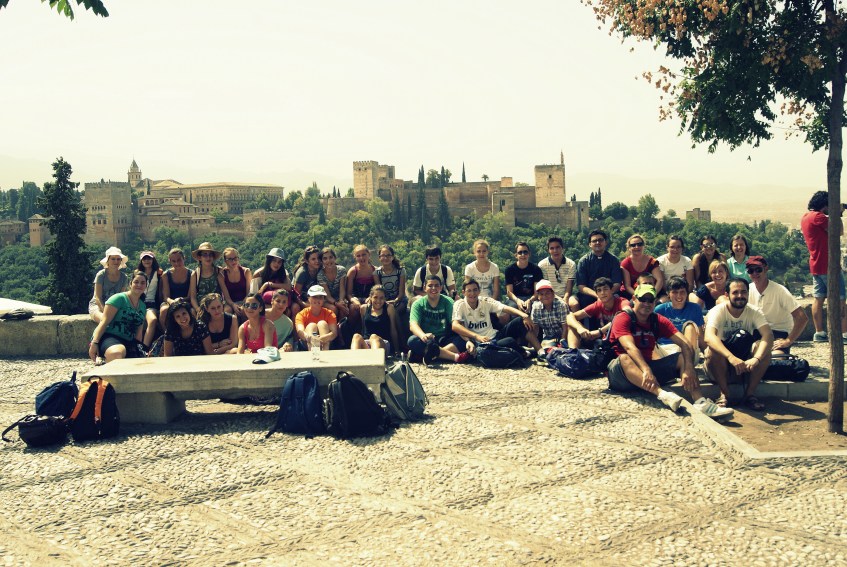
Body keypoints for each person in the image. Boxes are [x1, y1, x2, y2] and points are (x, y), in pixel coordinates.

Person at [606, 285, 734, 420]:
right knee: (625, 358)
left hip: (648, 371)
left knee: (682, 358)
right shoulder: (623, 317)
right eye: (643, 299)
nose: (647, 303)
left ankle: (700, 402)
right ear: (634, 299)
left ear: (655, 302)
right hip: (620, 375)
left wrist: (689, 368)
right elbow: (629, 347)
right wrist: (646, 370)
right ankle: (663, 395)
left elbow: (684, 343)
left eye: (650, 300)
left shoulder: (656, 319)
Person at [704, 278, 773, 411]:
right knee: (712, 349)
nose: (740, 296)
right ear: (727, 295)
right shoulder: (717, 311)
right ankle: (724, 394)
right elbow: (709, 337)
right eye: (735, 292)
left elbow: (768, 336)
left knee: (762, 347)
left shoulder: (754, 311)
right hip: (719, 366)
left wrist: (756, 358)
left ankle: (750, 395)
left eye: (743, 292)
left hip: (744, 367)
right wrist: (731, 357)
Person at [800, 190, 847, 342]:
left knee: (818, 299)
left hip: (816, 264)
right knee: (840, 299)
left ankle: (819, 333)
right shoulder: (818, 217)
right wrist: (838, 213)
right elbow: (839, 231)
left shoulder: (806, 217)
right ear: (825, 205)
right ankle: (844, 334)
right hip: (828, 265)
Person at [451, 278, 540, 356]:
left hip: (495, 336)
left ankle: (540, 351)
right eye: (469, 291)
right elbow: (455, 326)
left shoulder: (485, 300)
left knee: (520, 321)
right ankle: (524, 353)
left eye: (475, 290)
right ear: (463, 292)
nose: (472, 293)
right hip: (481, 343)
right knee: (504, 344)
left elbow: (504, 307)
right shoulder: (460, 304)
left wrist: (524, 315)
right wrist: (476, 336)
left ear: (479, 291)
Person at [746, 256, 809, 354]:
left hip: (778, 333)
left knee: (777, 358)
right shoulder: (747, 290)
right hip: (757, 333)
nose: (754, 273)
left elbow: (802, 317)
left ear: (766, 269)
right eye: (751, 271)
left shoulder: (779, 290)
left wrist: (788, 341)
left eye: (758, 269)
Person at [88, 270, 148, 364]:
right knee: (116, 353)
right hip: (110, 337)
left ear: (146, 286)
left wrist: (139, 348)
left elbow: (138, 331)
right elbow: (104, 322)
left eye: (142, 283)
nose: (139, 285)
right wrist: (94, 343)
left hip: (129, 341)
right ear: (130, 284)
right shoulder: (119, 299)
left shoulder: (143, 306)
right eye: (136, 282)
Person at [408, 274, 468, 364]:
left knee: (462, 340)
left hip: (444, 338)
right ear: (424, 288)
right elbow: (413, 325)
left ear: (441, 287)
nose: (434, 288)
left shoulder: (448, 302)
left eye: (436, 285)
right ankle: (454, 357)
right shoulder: (418, 304)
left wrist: (468, 340)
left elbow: (455, 323)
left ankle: (428, 355)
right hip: (427, 340)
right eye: (430, 286)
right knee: (412, 340)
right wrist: (423, 336)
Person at [566, 277, 630, 348]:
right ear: (597, 294)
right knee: (573, 324)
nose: (602, 293)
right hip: (601, 340)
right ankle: (573, 352)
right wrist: (580, 328)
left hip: (620, 339)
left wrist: (600, 331)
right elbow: (569, 317)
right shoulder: (598, 304)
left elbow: (628, 313)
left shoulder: (622, 302)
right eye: (599, 290)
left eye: (605, 289)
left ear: (612, 290)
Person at [573, 229, 622, 317]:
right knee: (584, 301)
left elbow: (617, 284)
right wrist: (598, 295)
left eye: (600, 240)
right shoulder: (583, 261)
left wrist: (606, 295)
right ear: (590, 244)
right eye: (594, 241)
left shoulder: (613, 260)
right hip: (590, 294)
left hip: (610, 294)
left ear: (605, 242)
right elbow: (581, 286)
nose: (597, 243)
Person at [654, 276, 705, 360]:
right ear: (668, 294)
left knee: (690, 327)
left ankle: (687, 364)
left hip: (686, 349)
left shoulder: (695, 308)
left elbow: (700, 336)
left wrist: (707, 353)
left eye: (682, 292)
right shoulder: (660, 310)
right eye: (675, 292)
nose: (679, 296)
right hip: (664, 349)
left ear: (687, 293)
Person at [351, 285, 400, 353]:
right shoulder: (364, 309)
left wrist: (397, 350)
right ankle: (354, 358)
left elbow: (393, 330)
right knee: (356, 336)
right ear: (370, 297)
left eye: (381, 298)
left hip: (383, 343)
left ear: (385, 299)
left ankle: (375, 359)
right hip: (367, 343)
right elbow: (363, 328)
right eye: (375, 297)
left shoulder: (389, 308)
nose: (378, 301)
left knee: (374, 337)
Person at [530, 279, 572, 356]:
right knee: (545, 350)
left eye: (547, 293)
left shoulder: (561, 305)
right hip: (549, 337)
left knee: (558, 351)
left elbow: (565, 327)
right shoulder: (535, 307)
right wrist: (532, 345)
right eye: (541, 294)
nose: (544, 296)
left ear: (553, 294)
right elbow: (535, 328)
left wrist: (562, 342)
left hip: (564, 335)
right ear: (538, 296)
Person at [88, 246, 128, 324]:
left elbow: (120, 298)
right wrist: (106, 312)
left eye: (118, 259)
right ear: (108, 260)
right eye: (113, 259)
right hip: (97, 306)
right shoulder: (101, 275)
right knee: (105, 320)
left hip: (114, 307)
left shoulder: (124, 277)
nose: (116, 261)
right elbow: (98, 297)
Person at [295, 285, 338, 351]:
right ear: (309, 298)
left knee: (322, 323)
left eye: (320, 297)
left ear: (323, 299)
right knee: (312, 325)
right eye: (314, 297)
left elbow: (334, 333)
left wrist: (320, 339)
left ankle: (325, 352)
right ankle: (312, 352)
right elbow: (300, 332)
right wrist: (311, 338)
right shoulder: (301, 314)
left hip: (326, 341)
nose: (317, 300)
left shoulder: (330, 314)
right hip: (307, 342)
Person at [504, 241, 543, 312]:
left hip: (532, 298)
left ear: (529, 254)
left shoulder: (536, 269)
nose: (523, 255)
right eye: (520, 252)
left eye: (525, 252)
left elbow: (537, 292)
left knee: (537, 307)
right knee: (509, 311)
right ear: (516, 255)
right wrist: (517, 301)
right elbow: (509, 292)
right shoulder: (509, 270)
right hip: (515, 299)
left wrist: (530, 300)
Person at [620, 234, 663, 299]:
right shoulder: (625, 263)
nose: (637, 247)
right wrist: (638, 296)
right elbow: (627, 286)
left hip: (651, 292)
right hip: (631, 294)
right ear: (629, 248)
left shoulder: (652, 262)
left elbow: (659, 280)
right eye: (633, 245)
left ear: (643, 246)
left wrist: (653, 294)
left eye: (639, 244)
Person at [159, 248, 191, 331]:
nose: (176, 263)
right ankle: (166, 333)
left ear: (184, 258)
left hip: (185, 301)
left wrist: (181, 299)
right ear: (170, 261)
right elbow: (166, 296)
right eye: (173, 261)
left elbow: (190, 296)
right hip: (170, 302)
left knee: (193, 312)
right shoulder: (166, 275)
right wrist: (172, 302)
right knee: (164, 310)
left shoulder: (191, 274)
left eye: (179, 260)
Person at [537, 236, 576, 305]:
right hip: (548, 296)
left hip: (566, 295)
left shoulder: (571, 264)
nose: (555, 251)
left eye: (557, 247)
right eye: (552, 248)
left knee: (574, 304)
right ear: (548, 250)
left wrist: (565, 299)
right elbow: (546, 287)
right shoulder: (542, 265)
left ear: (562, 248)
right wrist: (559, 299)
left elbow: (569, 287)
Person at [137, 250, 162, 348]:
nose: (146, 261)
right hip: (138, 302)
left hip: (151, 303)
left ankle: (144, 348)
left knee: (153, 320)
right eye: (144, 259)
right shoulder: (137, 273)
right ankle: (136, 347)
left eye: (149, 258)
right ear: (141, 261)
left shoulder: (159, 273)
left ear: (153, 260)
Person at [656, 235, 694, 300]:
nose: (675, 250)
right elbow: (662, 283)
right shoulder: (660, 261)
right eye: (672, 247)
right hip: (666, 293)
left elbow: (690, 284)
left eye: (678, 247)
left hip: (683, 292)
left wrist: (684, 295)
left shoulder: (687, 261)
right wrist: (672, 295)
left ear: (682, 248)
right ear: (667, 247)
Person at [188, 242, 222, 315]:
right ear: (199, 257)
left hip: (217, 306)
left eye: (210, 255)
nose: (208, 258)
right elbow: (193, 297)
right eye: (205, 255)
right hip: (202, 307)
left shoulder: (219, 271)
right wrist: (198, 309)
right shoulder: (195, 274)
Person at [218, 247, 251, 318]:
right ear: (225, 261)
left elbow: (249, 293)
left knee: (243, 310)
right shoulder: (222, 275)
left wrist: (243, 304)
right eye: (230, 259)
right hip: (230, 302)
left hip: (245, 300)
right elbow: (226, 297)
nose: (233, 261)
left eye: (235, 258)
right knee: (227, 312)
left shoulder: (246, 272)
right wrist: (233, 305)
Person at [317, 247, 348, 319]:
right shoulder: (320, 275)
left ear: (335, 258)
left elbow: (342, 289)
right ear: (322, 261)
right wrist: (337, 304)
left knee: (344, 308)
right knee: (333, 309)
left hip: (339, 298)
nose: (328, 260)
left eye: (331, 257)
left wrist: (341, 301)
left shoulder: (341, 270)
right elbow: (327, 296)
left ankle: (342, 325)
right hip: (326, 300)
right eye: (325, 258)